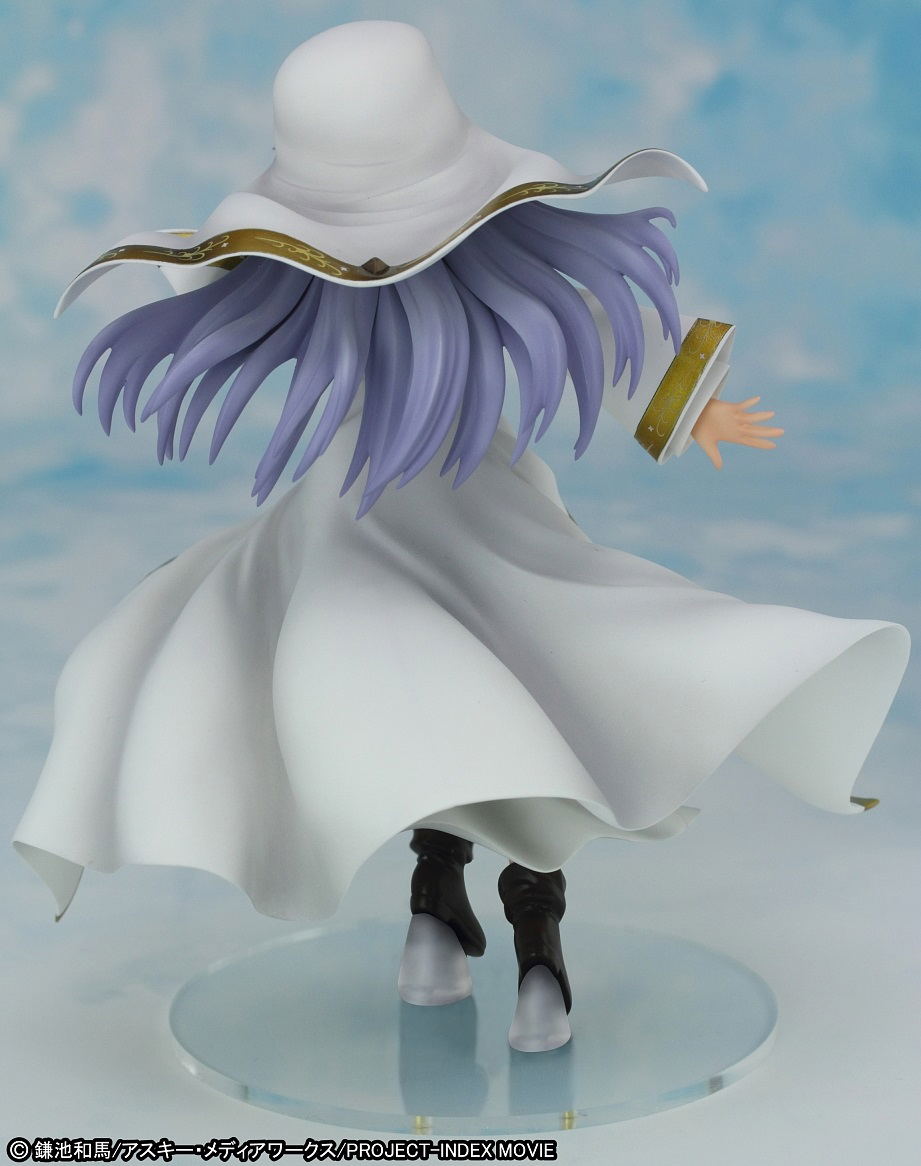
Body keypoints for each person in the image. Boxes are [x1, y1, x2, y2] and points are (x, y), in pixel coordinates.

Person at [13, 21, 910, 1053]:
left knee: (447, 718)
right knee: (494, 718)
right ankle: (510, 953)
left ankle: (455, 934)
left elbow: (601, 337)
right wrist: (693, 411)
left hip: (383, 526)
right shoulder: (416, 297)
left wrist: (692, 409)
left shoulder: (383, 298)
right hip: (425, 524)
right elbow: (600, 332)